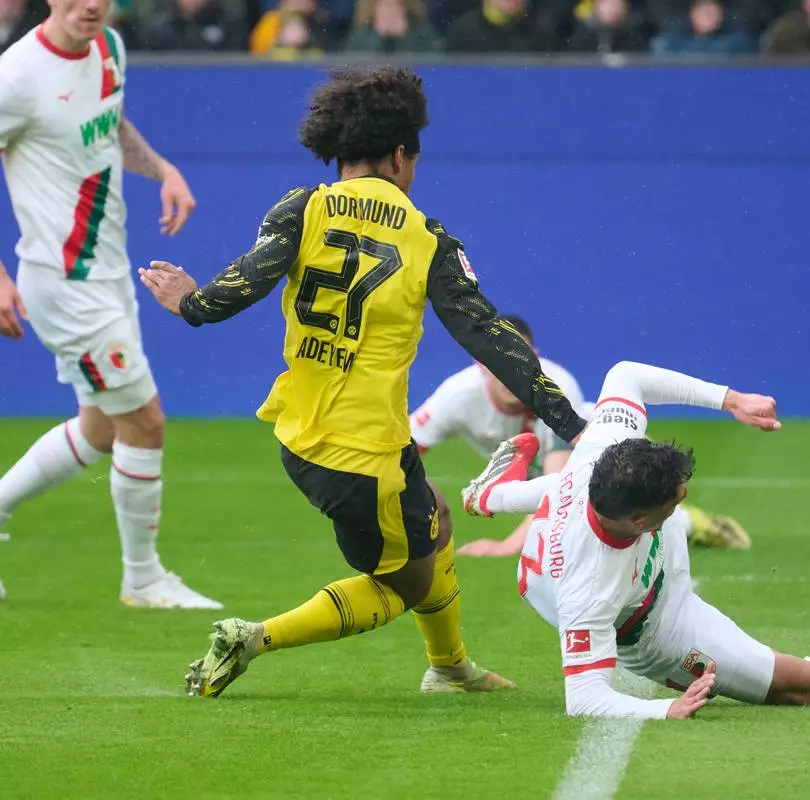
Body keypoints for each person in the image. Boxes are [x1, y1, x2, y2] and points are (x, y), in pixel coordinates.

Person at [137, 66, 588, 698]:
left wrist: (189, 300)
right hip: (364, 453)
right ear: (401, 154)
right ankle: (254, 637)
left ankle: (451, 668)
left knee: (432, 513)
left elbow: (237, 288)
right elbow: (491, 339)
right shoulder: (428, 239)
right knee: (408, 584)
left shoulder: (302, 207)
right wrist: (574, 425)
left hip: (303, 432)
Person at [462, 361, 810, 718]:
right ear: (640, 519)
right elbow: (584, 699)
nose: (686, 495)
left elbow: (626, 374)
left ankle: (491, 495)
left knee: (576, 482)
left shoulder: (605, 450)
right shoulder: (589, 589)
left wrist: (732, 400)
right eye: (675, 498)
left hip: (630, 545)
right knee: (806, 690)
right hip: (653, 625)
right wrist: (665, 709)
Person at [0, 0, 220, 609]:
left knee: (101, 428)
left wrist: (164, 170)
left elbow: (111, 125)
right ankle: (142, 579)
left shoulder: (109, 48)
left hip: (108, 273)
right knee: (145, 421)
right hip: (64, 283)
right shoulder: (16, 77)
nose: (91, 4)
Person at [413, 313, 752, 556]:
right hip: (544, 476)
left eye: (520, 357)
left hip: (604, 462)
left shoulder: (556, 389)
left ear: (534, 358)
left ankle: (694, 523)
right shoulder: (456, 397)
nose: (510, 368)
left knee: (619, 518)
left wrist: (507, 546)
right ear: (480, 363)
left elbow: (562, 486)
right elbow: (406, 449)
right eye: (498, 358)